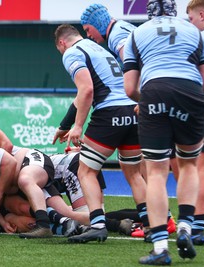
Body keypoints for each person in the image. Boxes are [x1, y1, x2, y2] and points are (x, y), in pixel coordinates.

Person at [123, 0, 204, 264]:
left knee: (157, 171)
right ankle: (186, 226)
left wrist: (146, 100)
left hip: (155, 91)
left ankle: (160, 248)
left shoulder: (135, 34)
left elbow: (129, 90)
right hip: (190, 94)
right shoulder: (194, 32)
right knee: (190, 164)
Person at [54, 24, 147, 244]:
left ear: (61, 43)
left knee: (86, 170)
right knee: (134, 173)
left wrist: (78, 126)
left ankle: (97, 225)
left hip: (110, 113)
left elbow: (86, 90)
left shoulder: (71, 52)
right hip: (132, 111)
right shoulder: (100, 49)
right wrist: (65, 125)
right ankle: (152, 223)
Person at [186, 0, 204, 246]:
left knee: (202, 168)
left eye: (191, 20)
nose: (190, 25)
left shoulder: (202, 40)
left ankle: (198, 226)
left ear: (202, 15)